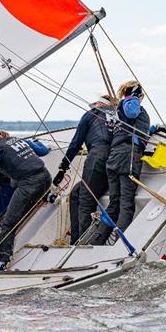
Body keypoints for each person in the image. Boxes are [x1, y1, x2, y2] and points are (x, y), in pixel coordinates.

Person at [0, 131, 52, 270]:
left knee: (7, 224)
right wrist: (46, 147)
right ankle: (46, 195)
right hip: (46, 178)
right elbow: (43, 151)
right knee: (13, 182)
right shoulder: (17, 140)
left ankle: (4, 260)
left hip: (30, 185)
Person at [89, 81, 150, 245]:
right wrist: (134, 96)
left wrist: (152, 130)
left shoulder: (120, 108)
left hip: (115, 156)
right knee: (126, 204)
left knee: (114, 204)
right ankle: (121, 247)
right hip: (127, 156)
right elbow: (131, 113)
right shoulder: (129, 103)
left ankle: (97, 241)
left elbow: (132, 125)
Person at [56, 95, 115, 244]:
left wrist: (63, 167)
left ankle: (83, 245)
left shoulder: (91, 114)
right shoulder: (117, 115)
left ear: (99, 104)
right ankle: (75, 240)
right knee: (76, 193)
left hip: (98, 159)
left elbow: (76, 144)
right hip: (117, 159)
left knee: (85, 201)